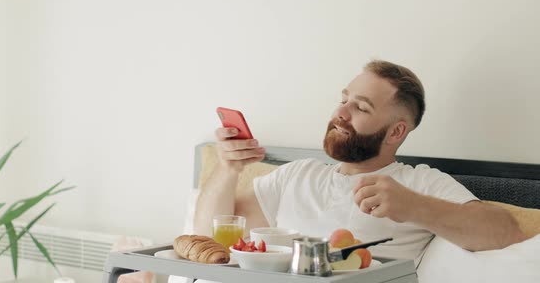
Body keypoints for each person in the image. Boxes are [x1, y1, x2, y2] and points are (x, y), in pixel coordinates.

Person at [194, 60, 527, 263]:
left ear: (396, 132)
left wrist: (413, 207)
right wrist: (227, 169)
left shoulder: (419, 183)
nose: (340, 113)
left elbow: (502, 232)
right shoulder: (296, 177)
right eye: (343, 99)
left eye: (361, 108)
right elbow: (208, 237)